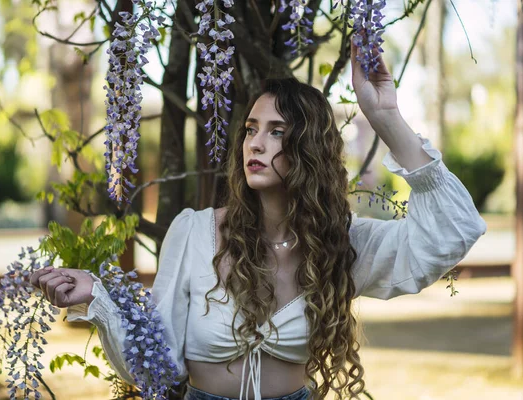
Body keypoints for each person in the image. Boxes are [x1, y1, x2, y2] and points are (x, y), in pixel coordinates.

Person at [30, 46, 487, 400]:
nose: (255, 143)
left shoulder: (342, 244)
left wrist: (384, 116)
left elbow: (454, 231)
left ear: (308, 149)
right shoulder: (194, 232)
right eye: (251, 129)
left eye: (276, 132)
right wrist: (101, 301)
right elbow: (159, 366)